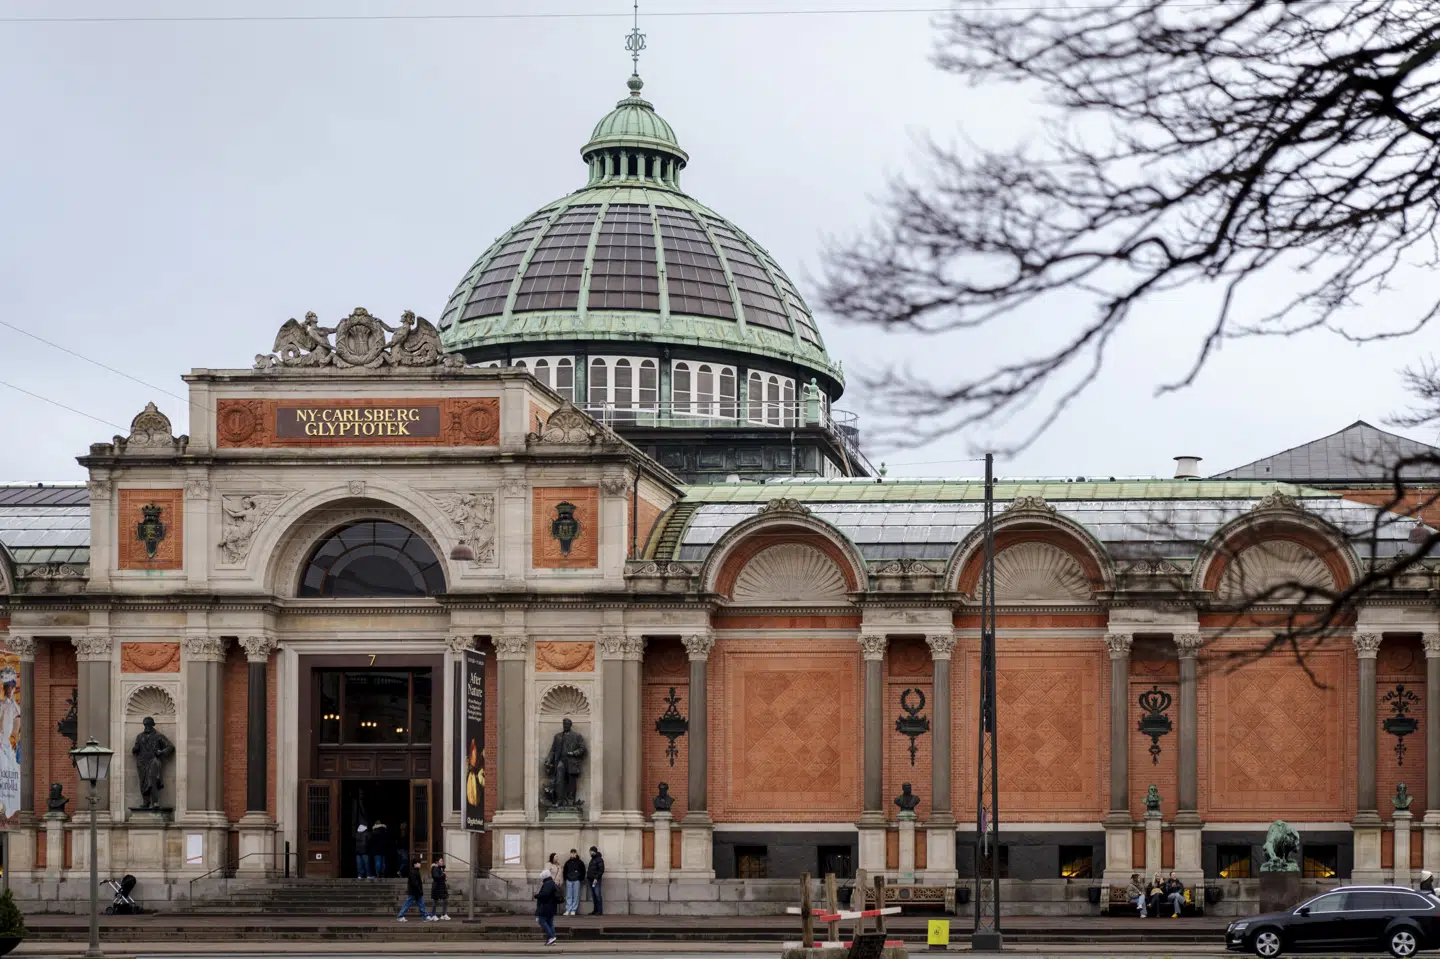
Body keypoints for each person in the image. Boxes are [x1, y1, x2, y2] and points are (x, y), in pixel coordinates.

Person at [397, 858, 437, 922]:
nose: (420, 864)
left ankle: (425, 916)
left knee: (421, 904)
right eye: (418, 863)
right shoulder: (413, 872)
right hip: (414, 892)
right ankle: (400, 916)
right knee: (408, 904)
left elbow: (416, 883)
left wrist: (419, 891)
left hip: (416, 891)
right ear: (415, 864)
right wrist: (419, 891)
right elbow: (414, 883)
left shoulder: (416, 871)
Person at [534, 867, 561, 945]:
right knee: (550, 923)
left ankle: (551, 937)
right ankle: (552, 940)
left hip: (546, 906)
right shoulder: (552, 882)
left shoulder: (548, 883)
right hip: (552, 906)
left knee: (541, 920)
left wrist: (537, 896)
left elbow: (545, 894)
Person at [562, 849, 585, 916]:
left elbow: (583, 871)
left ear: (576, 854)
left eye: (574, 853)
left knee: (576, 895)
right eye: (572, 853)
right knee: (568, 895)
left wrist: (580, 878)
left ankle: (573, 910)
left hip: (576, 880)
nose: (573, 854)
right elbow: (564, 871)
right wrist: (566, 878)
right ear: (570, 854)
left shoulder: (580, 862)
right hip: (569, 880)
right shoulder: (567, 862)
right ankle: (568, 909)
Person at [586, 845, 605, 916]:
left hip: (596, 880)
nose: (590, 853)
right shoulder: (592, 859)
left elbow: (601, 870)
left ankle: (599, 911)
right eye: (590, 851)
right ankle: (595, 910)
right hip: (590, 880)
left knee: (597, 895)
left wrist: (596, 878)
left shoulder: (599, 859)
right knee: (594, 896)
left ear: (594, 851)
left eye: (591, 851)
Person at [431, 856, 450, 920]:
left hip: (441, 886)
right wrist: (443, 875)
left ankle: (443, 914)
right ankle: (433, 915)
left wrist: (444, 878)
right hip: (437, 886)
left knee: (445, 899)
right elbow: (436, 877)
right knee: (435, 901)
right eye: (441, 861)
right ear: (437, 862)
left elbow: (441, 877)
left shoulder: (440, 868)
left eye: (442, 861)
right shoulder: (434, 868)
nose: (442, 862)